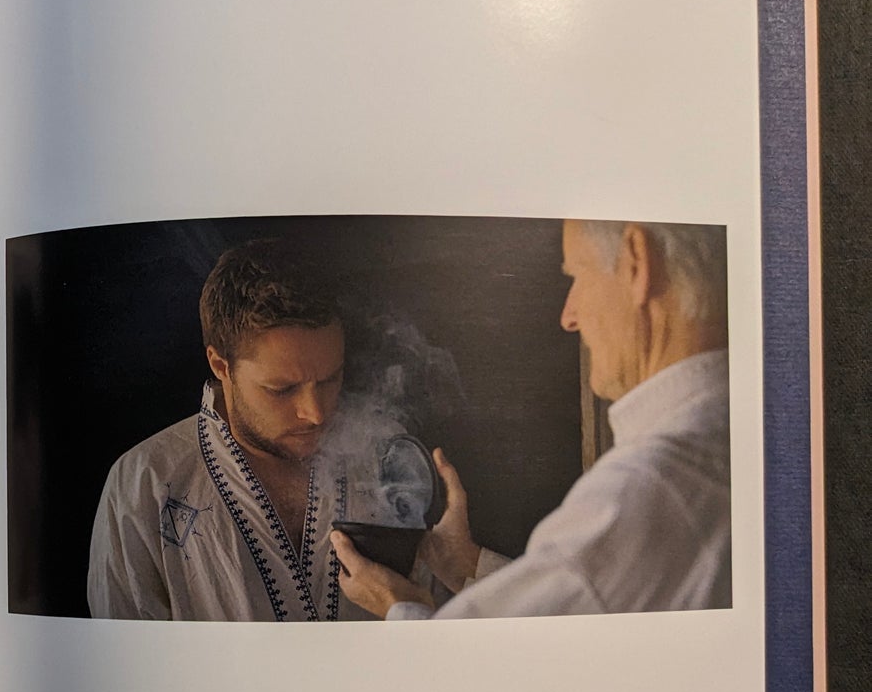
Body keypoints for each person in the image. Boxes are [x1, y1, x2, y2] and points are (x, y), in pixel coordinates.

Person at [333, 219, 732, 620]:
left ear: (636, 262)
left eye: (577, 275)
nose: (569, 317)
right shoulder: (726, 443)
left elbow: (491, 661)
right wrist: (464, 563)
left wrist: (400, 606)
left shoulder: (645, 490)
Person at [86, 240, 357, 622]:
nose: (315, 414)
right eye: (281, 389)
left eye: (330, 380)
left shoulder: (387, 460)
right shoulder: (143, 484)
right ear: (220, 365)